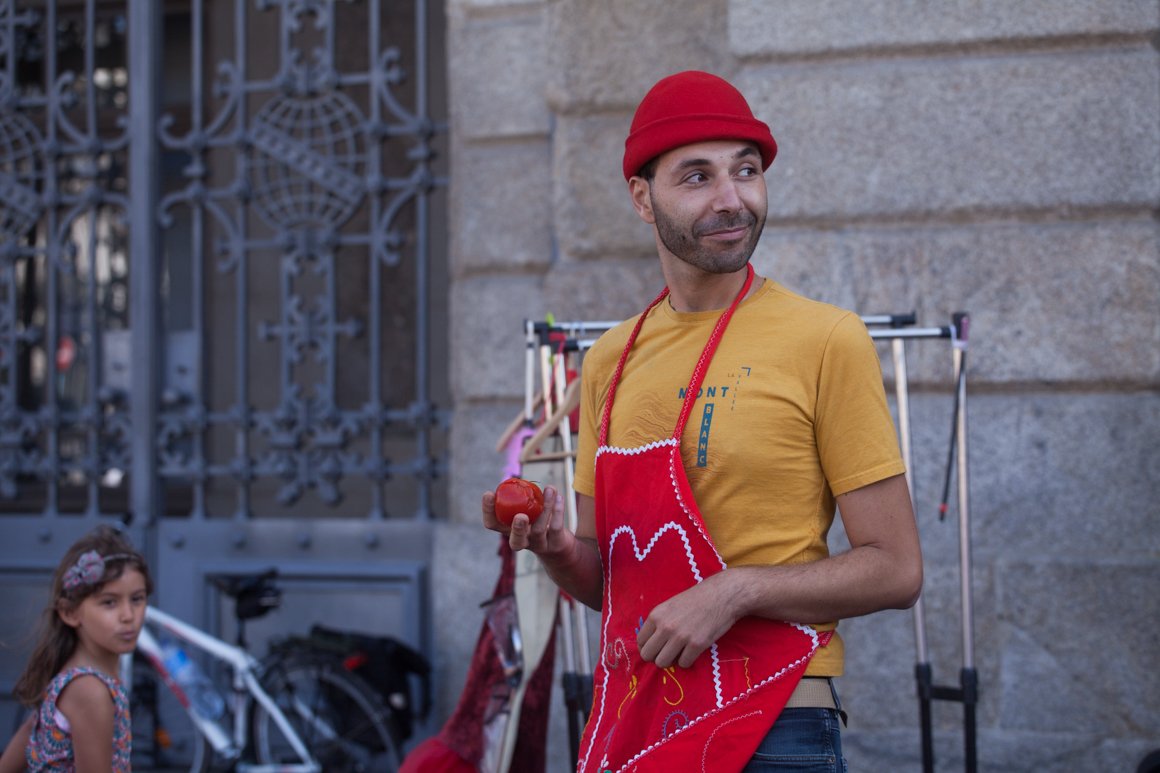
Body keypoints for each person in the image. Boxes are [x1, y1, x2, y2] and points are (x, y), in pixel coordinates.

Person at [482, 70, 923, 772]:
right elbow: (614, 587)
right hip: (639, 718)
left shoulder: (826, 339)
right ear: (642, 198)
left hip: (776, 726)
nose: (731, 199)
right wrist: (557, 549)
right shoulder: (610, 360)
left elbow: (896, 569)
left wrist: (735, 591)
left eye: (746, 171)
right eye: (697, 177)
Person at [0, 526, 151, 773]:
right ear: (70, 613)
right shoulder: (89, 691)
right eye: (109, 602)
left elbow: (30, 730)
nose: (128, 616)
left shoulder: (77, 675)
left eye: (137, 599)